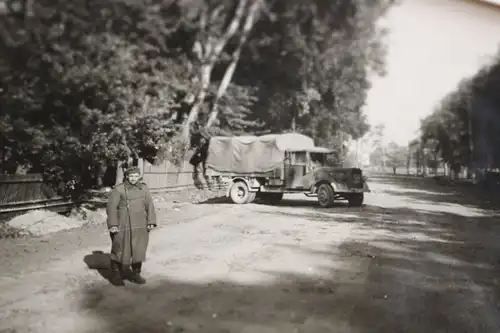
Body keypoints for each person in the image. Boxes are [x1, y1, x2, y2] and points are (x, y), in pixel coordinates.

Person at [106, 166, 157, 286]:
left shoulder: (143, 188)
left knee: (138, 249)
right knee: (119, 249)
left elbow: (149, 205)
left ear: (139, 176)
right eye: (131, 176)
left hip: (140, 225)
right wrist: (113, 225)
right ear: (126, 177)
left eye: (135, 176)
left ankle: (136, 274)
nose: (133, 178)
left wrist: (151, 221)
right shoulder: (119, 190)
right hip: (123, 225)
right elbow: (111, 208)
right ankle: (116, 275)